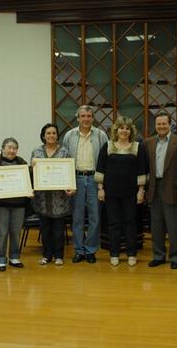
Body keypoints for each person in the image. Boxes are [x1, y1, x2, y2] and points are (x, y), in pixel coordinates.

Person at [95, 117, 147, 267]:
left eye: (127, 128)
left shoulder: (138, 147)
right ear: (116, 130)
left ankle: (131, 254)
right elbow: (100, 168)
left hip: (131, 193)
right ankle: (114, 253)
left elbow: (142, 170)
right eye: (121, 128)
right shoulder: (108, 146)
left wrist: (141, 191)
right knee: (113, 224)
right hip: (111, 193)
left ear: (131, 131)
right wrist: (100, 189)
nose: (124, 131)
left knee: (130, 223)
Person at [144, 111, 177, 269]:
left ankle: (176, 257)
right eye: (158, 124)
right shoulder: (148, 143)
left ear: (170, 124)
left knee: (174, 226)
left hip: (174, 188)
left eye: (164, 123)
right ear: (155, 126)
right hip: (154, 187)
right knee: (156, 226)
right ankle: (158, 255)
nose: (161, 126)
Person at [62, 105, 108, 263]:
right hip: (77, 179)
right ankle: (79, 250)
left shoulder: (101, 135)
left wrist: (102, 184)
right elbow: (65, 160)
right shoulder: (69, 135)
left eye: (89, 116)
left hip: (95, 179)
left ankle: (90, 250)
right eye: (83, 116)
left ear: (93, 118)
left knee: (95, 217)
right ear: (78, 118)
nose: (86, 119)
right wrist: (68, 182)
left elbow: (104, 161)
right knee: (77, 218)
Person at [32, 124, 74, 266]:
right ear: (43, 135)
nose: (51, 135)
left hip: (59, 198)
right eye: (48, 133)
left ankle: (58, 256)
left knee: (58, 230)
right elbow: (33, 174)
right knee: (45, 229)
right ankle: (46, 255)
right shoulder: (36, 152)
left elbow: (69, 173)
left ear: (57, 135)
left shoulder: (64, 152)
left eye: (54, 133)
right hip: (42, 198)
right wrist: (33, 167)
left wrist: (71, 188)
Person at [0, 138, 29, 271]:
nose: (12, 150)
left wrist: (29, 190)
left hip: (19, 204)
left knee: (16, 232)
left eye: (15, 148)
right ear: (3, 148)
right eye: (9, 147)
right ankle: (0, 259)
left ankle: (14, 257)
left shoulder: (22, 163)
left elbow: (29, 181)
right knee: (1, 233)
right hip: (0, 205)